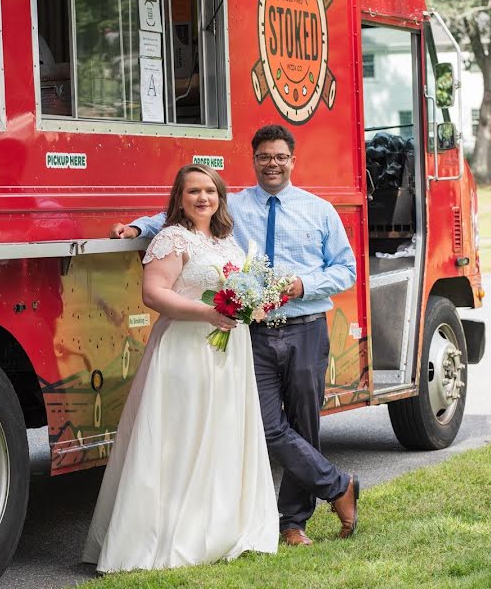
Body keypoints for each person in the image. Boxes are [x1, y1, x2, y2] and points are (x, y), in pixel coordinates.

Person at [110, 125, 359, 547]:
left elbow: (346, 269)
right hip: (253, 335)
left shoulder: (319, 210)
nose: (272, 164)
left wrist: (301, 286)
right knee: (265, 425)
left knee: (304, 424)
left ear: (292, 160)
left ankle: (292, 523)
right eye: (264, 157)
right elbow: (184, 218)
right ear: (254, 159)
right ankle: (338, 485)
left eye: (280, 156)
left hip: (305, 330)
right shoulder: (234, 206)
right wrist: (137, 228)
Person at [82, 164, 279, 573]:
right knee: (181, 436)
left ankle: (221, 526)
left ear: (221, 197)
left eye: (210, 190)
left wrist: (252, 304)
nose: (203, 198)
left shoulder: (226, 241)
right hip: (184, 351)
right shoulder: (171, 238)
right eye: (193, 191)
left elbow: (239, 285)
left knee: (223, 434)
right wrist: (207, 313)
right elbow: (153, 294)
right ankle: (170, 532)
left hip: (227, 352)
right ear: (180, 197)